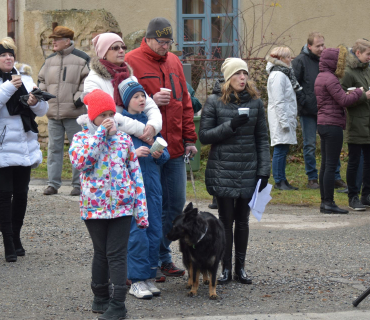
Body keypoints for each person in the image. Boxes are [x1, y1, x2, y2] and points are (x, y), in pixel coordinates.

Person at [125, 17, 198, 280]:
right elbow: (122, 106)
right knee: (150, 207)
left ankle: (161, 253)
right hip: (147, 148)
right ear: (149, 38)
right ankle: (150, 260)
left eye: (169, 42)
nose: (166, 47)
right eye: (162, 42)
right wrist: (151, 101)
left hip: (175, 147)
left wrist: (190, 138)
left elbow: (185, 102)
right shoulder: (131, 61)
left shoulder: (174, 62)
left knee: (175, 205)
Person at [69, 89, 148, 319]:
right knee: (101, 252)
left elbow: (136, 175)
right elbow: (82, 163)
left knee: (116, 253)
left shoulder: (123, 139)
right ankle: (100, 296)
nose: (107, 119)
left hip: (122, 207)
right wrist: (100, 136)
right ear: (91, 116)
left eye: (110, 113)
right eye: (101, 114)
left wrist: (140, 211)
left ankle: (118, 303)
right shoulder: (82, 139)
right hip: (94, 208)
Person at [199, 58, 270, 285]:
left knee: (243, 221)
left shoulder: (256, 103)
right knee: (225, 221)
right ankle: (226, 269)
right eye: (238, 74)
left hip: (249, 169)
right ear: (228, 77)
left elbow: (262, 139)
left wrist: (264, 170)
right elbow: (205, 136)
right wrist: (231, 125)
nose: (242, 78)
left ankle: (241, 268)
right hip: (223, 169)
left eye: (245, 74)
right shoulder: (213, 101)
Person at [119, 79, 170, 299]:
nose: (141, 100)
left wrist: (160, 154)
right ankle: (136, 280)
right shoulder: (122, 127)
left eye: (143, 96)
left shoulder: (150, 126)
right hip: (133, 191)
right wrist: (134, 154)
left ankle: (149, 276)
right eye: (136, 96)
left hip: (153, 189)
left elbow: (165, 155)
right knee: (136, 234)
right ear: (125, 101)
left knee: (154, 231)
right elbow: (114, 157)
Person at [0, 37, 49, 262]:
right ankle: (8, 242)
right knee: (3, 196)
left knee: (21, 195)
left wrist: (34, 102)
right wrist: (10, 86)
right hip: (2, 148)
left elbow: (41, 109)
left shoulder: (25, 78)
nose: (8, 58)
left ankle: (17, 237)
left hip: (24, 146)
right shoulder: (12, 82)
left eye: (11, 54)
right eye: (3, 55)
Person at [84, 32, 163, 145]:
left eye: (123, 47)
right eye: (115, 48)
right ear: (104, 53)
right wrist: (141, 129)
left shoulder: (129, 78)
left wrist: (153, 126)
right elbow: (103, 115)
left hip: (137, 141)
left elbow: (149, 105)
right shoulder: (93, 81)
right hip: (110, 143)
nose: (121, 50)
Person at [38, 26, 90, 197]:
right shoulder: (49, 60)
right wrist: (43, 94)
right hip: (53, 113)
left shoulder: (82, 58)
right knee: (53, 149)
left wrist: (77, 99)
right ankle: (53, 184)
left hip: (75, 114)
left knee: (77, 149)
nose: (53, 42)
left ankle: (78, 185)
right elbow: (41, 79)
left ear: (67, 41)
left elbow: (87, 82)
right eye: (53, 39)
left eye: (57, 39)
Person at [292, 32, 347, 190]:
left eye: (323, 44)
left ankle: (335, 176)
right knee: (309, 145)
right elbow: (294, 84)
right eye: (318, 46)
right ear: (309, 46)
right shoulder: (300, 61)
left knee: (332, 144)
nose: (322, 48)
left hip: (326, 110)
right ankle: (312, 178)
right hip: (308, 111)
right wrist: (304, 101)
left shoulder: (327, 60)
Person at [314, 46, 363, 214]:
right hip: (332, 125)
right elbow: (343, 100)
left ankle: (325, 202)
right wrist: (359, 92)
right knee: (330, 165)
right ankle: (328, 202)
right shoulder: (331, 78)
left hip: (323, 123)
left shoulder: (321, 76)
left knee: (325, 165)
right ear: (334, 61)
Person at [340, 39, 370, 211]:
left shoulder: (367, 70)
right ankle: (353, 196)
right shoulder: (348, 73)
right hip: (356, 123)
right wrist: (364, 96)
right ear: (358, 53)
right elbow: (343, 99)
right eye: (368, 54)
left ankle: (366, 195)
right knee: (354, 161)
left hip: (368, 123)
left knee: (369, 162)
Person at [266, 47, 301, 190]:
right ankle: (279, 181)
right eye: (287, 57)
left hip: (284, 117)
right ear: (280, 59)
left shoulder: (283, 74)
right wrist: (284, 122)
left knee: (283, 148)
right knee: (280, 149)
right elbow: (278, 101)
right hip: (281, 119)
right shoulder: (278, 76)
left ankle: (283, 179)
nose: (290, 60)